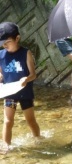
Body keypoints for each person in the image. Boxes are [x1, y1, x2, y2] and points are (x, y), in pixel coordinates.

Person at [0, 22, 41, 154]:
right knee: (7, 121)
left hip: (25, 91)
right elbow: (1, 72)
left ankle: (37, 138)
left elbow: (33, 74)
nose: (4, 45)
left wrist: (26, 79)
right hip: (9, 92)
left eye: (7, 42)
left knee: (30, 120)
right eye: (2, 43)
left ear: (17, 38)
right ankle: (6, 145)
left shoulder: (25, 53)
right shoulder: (1, 55)